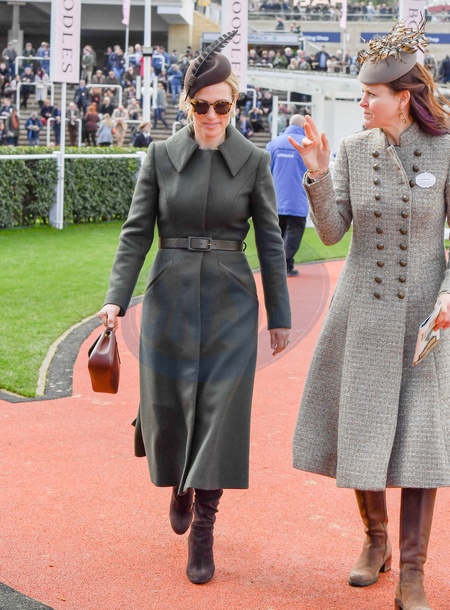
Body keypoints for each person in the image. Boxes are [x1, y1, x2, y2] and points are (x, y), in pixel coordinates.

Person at [97, 30, 291, 586]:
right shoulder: (159, 157)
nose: (211, 116)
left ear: (235, 105)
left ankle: (205, 524)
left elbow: (271, 240)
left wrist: (279, 315)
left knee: (220, 411)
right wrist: (115, 299)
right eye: (202, 106)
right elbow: (136, 233)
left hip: (232, 301)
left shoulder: (254, 160)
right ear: (188, 104)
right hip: (169, 294)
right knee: (170, 404)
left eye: (222, 106)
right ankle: (179, 482)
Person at [290, 20, 450, 610]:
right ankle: (375, 540)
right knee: (362, 430)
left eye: (370, 94)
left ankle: (413, 575)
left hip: (426, 319)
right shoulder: (354, 151)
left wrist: (449, 296)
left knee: (421, 443)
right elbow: (333, 232)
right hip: (362, 313)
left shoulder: (447, 148)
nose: (361, 103)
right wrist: (316, 172)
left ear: (402, 98)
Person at [266, 114, 308, 277]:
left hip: (276, 199)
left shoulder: (274, 143)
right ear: (304, 127)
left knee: (279, 233)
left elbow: (266, 171)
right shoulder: (306, 144)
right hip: (297, 199)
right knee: (294, 232)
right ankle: (283, 264)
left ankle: (283, 264)